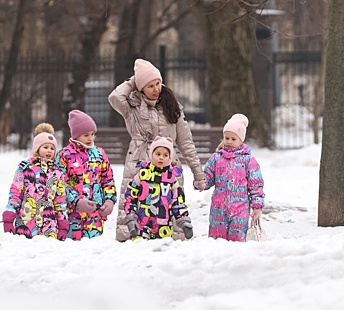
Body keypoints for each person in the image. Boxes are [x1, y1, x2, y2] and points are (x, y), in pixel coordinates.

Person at [108, 58, 205, 242]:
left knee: (172, 202)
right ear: (140, 87)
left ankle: (174, 240)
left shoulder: (172, 107)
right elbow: (114, 97)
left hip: (168, 163)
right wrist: (133, 81)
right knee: (134, 200)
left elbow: (186, 142)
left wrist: (198, 174)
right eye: (150, 85)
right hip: (139, 160)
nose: (156, 89)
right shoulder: (132, 107)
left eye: (158, 83)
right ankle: (133, 235)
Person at [198, 113, 265, 242]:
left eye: (233, 139)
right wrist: (202, 182)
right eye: (226, 138)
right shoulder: (217, 158)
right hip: (218, 207)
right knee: (217, 239)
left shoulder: (248, 160)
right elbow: (208, 176)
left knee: (237, 239)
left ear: (241, 140)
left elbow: (256, 184)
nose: (229, 141)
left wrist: (257, 206)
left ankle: (236, 258)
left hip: (240, 208)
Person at [56, 109, 117, 240]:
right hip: (73, 213)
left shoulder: (99, 153)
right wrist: (76, 201)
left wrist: (109, 200)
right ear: (76, 135)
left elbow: (108, 179)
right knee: (74, 247)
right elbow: (60, 184)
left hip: (95, 214)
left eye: (93, 134)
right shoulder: (64, 155)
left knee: (93, 248)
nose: (90, 138)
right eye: (86, 135)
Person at [2, 123, 69, 239]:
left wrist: (63, 224)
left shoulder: (57, 172)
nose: (49, 151)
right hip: (26, 222)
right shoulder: (25, 168)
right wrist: (9, 216)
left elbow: (60, 200)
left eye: (52, 148)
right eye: (45, 147)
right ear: (37, 148)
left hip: (49, 225)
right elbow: (15, 193)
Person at [124, 136, 193, 240]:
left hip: (163, 225)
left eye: (165, 155)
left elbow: (177, 202)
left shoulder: (171, 179)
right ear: (151, 155)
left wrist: (183, 220)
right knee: (140, 248)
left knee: (162, 250)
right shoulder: (143, 175)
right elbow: (130, 195)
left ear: (170, 157)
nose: (161, 157)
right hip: (143, 223)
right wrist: (131, 216)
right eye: (158, 154)